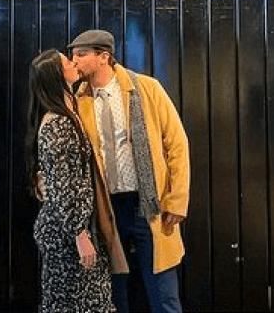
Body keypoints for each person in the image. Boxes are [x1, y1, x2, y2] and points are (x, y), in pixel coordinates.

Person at [68, 29, 190, 313]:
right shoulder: (78, 99)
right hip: (105, 208)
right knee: (111, 292)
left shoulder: (147, 88)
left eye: (81, 54)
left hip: (148, 204)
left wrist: (177, 199)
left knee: (163, 292)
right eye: (73, 55)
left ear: (103, 57)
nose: (74, 61)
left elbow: (177, 144)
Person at [25, 49, 115, 313]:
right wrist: (80, 234)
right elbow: (64, 184)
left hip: (72, 228)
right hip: (67, 234)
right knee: (76, 303)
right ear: (56, 76)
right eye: (67, 62)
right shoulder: (58, 124)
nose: (74, 62)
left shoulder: (68, 112)